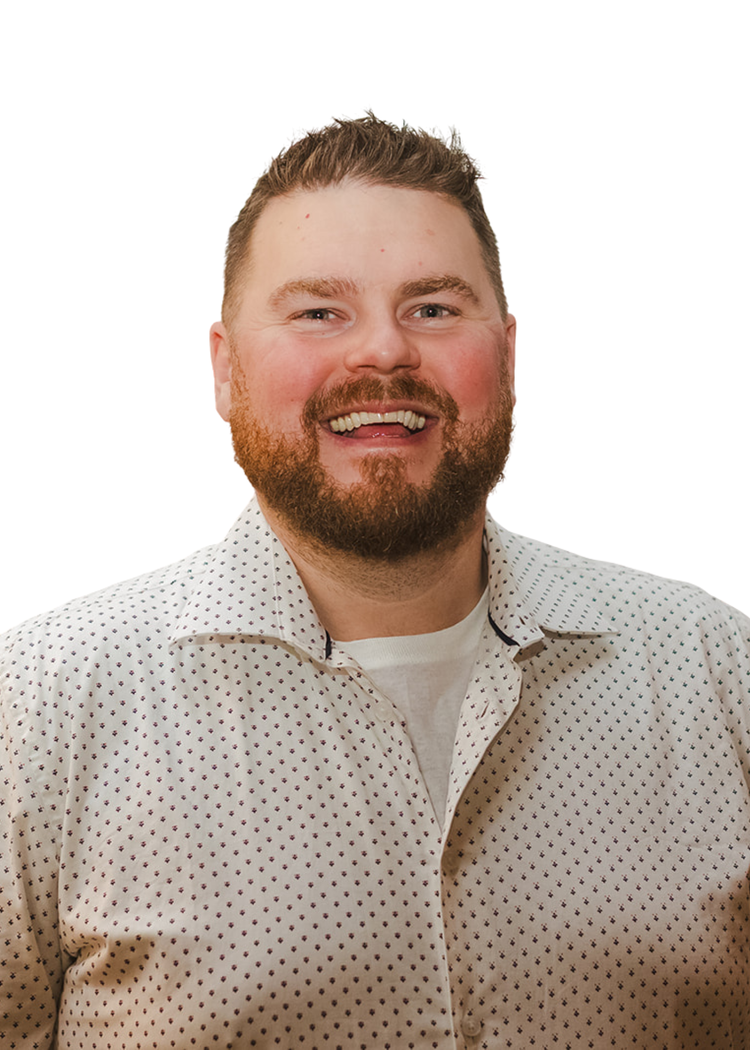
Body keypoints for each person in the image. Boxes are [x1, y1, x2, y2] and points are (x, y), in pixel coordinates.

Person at [1, 115, 748, 1050]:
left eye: (432, 308)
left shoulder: (722, 676)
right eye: (320, 312)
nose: (384, 353)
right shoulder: (37, 708)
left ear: (508, 358)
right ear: (225, 370)